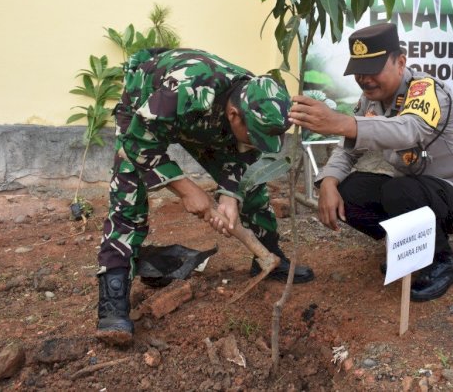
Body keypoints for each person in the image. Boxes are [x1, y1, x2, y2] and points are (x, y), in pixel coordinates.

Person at [96, 48, 314, 345]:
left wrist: (229, 196)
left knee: (252, 186)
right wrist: (187, 189)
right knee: (128, 198)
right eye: (253, 135)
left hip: (207, 120)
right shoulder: (189, 90)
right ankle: (113, 298)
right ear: (234, 115)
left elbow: (245, 156)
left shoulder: (254, 97)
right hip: (143, 112)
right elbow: (138, 141)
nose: (255, 143)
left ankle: (267, 255)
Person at [289, 23, 453, 302]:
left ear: (400, 62)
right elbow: (349, 149)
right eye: (359, 72)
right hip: (422, 190)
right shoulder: (370, 102)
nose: (364, 79)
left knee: (400, 191)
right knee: (351, 190)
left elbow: (409, 129)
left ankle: (443, 262)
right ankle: (408, 249)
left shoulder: (428, 90)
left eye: (373, 70)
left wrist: (342, 122)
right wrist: (328, 181)